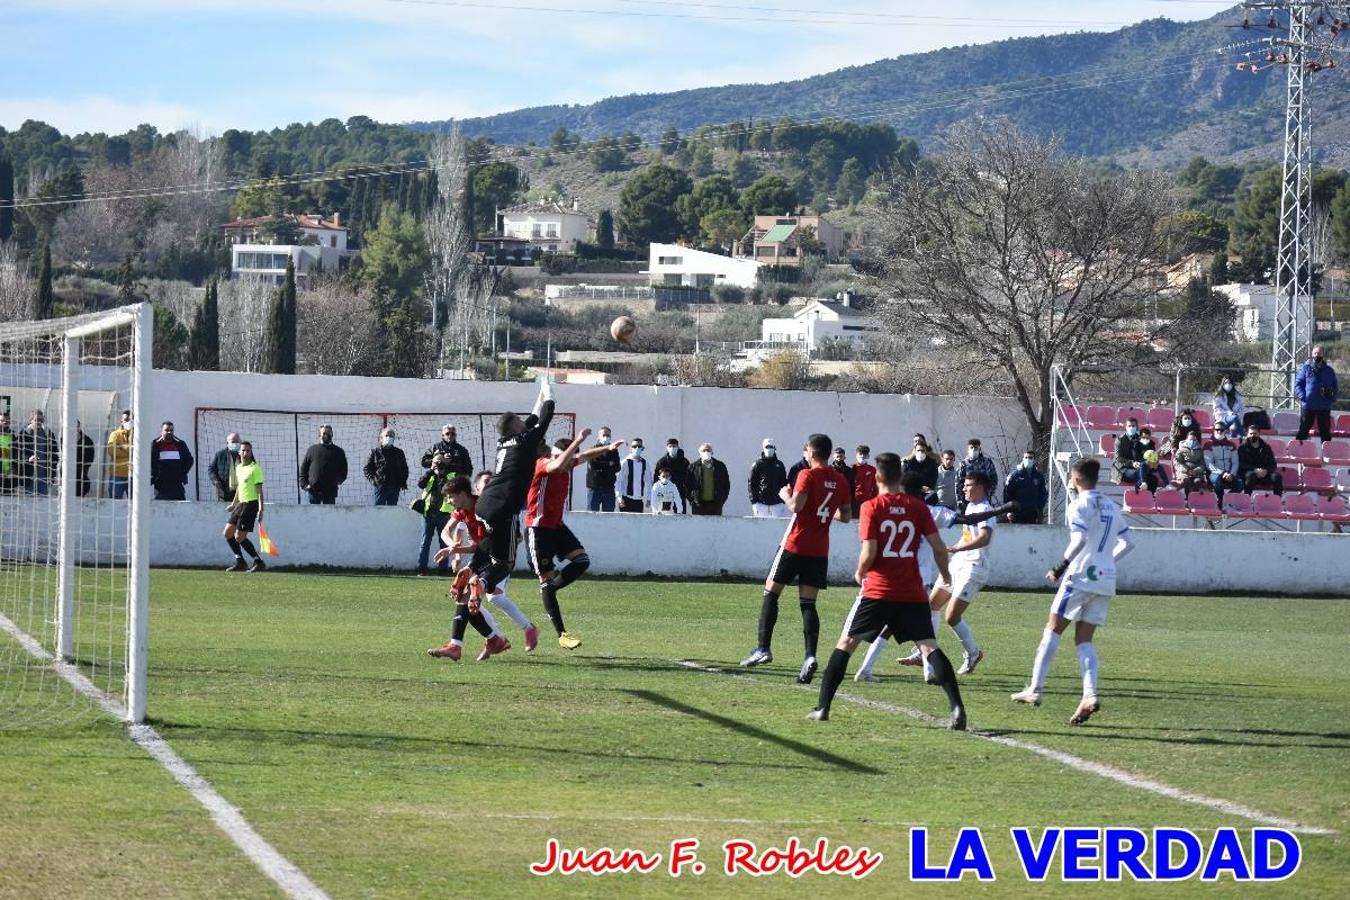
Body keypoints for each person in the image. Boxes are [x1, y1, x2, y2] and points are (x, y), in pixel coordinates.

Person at [807, 454, 967, 729]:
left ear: (878, 478)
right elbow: (940, 548)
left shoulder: (872, 507)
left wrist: (860, 572)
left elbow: (869, 551)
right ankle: (957, 709)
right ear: (899, 478)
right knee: (929, 647)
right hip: (912, 592)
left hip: (878, 590)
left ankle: (823, 708)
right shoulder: (918, 508)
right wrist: (946, 575)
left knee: (846, 644)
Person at [1012, 458, 1135, 725]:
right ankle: (1089, 695)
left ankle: (1035, 689)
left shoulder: (1078, 505)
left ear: (1076, 479)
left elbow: (1079, 540)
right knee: (1084, 640)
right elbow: (1129, 542)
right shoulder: (1111, 506)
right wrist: (1106, 563)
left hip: (1081, 575)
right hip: (1106, 578)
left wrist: (1059, 567)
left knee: (1053, 629)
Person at [740, 433, 852, 685]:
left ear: (811, 452)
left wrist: (784, 494)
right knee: (808, 604)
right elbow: (845, 516)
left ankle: (763, 648)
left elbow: (796, 506)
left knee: (771, 592)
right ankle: (810, 656)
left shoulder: (807, 474)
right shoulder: (841, 480)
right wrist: (822, 514)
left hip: (795, 543)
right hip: (819, 549)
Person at [526, 430, 626, 650]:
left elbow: (583, 457)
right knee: (546, 581)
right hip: (538, 528)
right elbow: (559, 463)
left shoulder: (566, 465)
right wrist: (579, 440)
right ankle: (562, 634)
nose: (569, 464)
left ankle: (549, 590)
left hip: (557, 527)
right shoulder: (544, 463)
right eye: (567, 459)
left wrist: (606, 449)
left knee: (582, 561)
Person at [462, 381, 557, 605]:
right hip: (503, 507)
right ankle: (481, 585)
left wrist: (540, 393)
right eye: (519, 421)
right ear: (515, 426)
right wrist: (549, 391)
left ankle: (470, 569)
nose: (524, 423)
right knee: (505, 563)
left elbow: (532, 419)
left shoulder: (503, 442)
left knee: (492, 547)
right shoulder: (525, 442)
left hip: (484, 504)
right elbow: (547, 414)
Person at [908, 471, 997, 676]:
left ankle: (973, 653)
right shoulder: (971, 507)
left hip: (974, 567)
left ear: (980, 486)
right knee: (931, 606)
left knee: (952, 616)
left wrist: (960, 549)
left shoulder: (985, 509)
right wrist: (956, 546)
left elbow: (984, 538)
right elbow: (968, 537)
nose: (964, 488)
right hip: (958, 564)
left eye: (968, 485)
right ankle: (924, 653)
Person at [426, 475, 521, 662]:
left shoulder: (482, 510)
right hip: (481, 554)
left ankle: (460, 645)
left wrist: (457, 551)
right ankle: (492, 640)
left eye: (451, 497)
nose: (449, 501)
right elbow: (446, 531)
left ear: (462, 494)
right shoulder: (462, 510)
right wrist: (452, 546)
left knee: (471, 593)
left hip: (494, 556)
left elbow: (484, 546)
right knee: (464, 597)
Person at [223, 441, 268, 573]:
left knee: (239, 537)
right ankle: (240, 561)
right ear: (239, 452)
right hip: (240, 505)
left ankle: (258, 561)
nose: (245, 453)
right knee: (227, 533)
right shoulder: (239, 468)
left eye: (248, 451)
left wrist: (261, 509)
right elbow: (239, 488)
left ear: (251, 452)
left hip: (251, 504)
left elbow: (259, 491)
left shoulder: (255, 469)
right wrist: (233, 503)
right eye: (243, 450)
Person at [416, 453, 457, 576]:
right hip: (428, 513)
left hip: (444, 514)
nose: (438, 465)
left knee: (443, 542)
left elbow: (451, 488)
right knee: (425, 542)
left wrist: (443, 474)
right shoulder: (429, 475)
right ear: (432, 463)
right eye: (436, 462)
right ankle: (422, 568)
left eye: (441, 462)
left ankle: (443, 569)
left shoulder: (450, 475)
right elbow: (420, 484)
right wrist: (430, 471)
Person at [1295, 346, 1338, 443]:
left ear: (1323, 354)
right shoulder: (1306, 369)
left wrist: (1332, 398)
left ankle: (1327, 455)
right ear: (1312, 354)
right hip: (1308, 405)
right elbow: (1298, 384)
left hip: (1324, 406)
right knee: (1303, 431)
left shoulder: (1329, 371)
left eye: (1319, 353)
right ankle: (1298, 452)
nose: (1317, 355)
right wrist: (1303, 397)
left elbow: (1335, 387)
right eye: (1315, 353)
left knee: (1325, 433)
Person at [299, 424, 347, 504]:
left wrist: (338, 480)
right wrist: (305, 485)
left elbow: (344, 470)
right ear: (319, 435)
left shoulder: (339, 452)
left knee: (330, 515)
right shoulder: (312, 450)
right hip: (313, 492)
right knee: (313, 515)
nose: (326, 435)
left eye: (328, 433)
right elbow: (303, 469)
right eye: (323, 433)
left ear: (332, 434)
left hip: (330, 492)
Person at [364, 427, 409, 507]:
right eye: (387, 435)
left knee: (392, 511)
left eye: (392, 436)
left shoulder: (399, 452)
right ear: (381, 438)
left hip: (395, 487)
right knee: (379, 510)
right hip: (381, 487)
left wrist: (402, 481)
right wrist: (374, 481)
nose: (389, 437)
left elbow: (405, 469)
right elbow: (367, 469)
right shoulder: (375, 452)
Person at [15, 410, 58, 495]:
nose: (39, 422)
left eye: (41, 420)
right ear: (31, 420)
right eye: (36, 419)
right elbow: (17, 453)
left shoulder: (48, 434)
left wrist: (53, 473)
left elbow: (54, 454)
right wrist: (28, 458)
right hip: (29, 477)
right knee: (28, 504)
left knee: (44, 503)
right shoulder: (24, 434)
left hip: (44, 477)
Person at [149, 420, 193, 501]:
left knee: (180, 507)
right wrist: (154, 476)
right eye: (166, 430)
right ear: (161, 431)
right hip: (161, 484)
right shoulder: (155, 444)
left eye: (171, 430)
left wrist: (182, 473)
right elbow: (151, 461)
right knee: (160, 507)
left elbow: (189, 460)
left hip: (177, 483)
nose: (169, 432)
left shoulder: (180, 444)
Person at [1237, 424, 1283, 495]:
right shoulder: (1242, 448)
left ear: (1259, 434)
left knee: (1277, 477)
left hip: (1264, 474)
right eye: (1250, 433)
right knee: (1250, 475)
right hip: (1249, 474)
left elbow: (1273, 464)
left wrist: (1266, 471)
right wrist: (1255, 470)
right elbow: (1241, 464)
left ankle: (1277, 501)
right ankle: (1247, 499)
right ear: (1247, 434)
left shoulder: (1266, 447)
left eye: (1255, 433)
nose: (1252, 435)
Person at [749, 438, 789, 517]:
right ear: (763, 448)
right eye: (767, 447)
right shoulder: (757, 464)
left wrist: (782, 501)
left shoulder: (780, 465)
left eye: (771, 447)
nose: (769, 449)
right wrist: (754, 502)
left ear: (774, 448)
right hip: (760, 504)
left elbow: (783, 483)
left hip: (777, 505)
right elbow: (751, 484)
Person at [1003, 451, 1048, 523]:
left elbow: (1043, 494)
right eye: (1026, 457)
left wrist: (1039, 509)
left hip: (1033, 513)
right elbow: (1007, 493)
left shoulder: (1039, 476)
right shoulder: (1014, 475)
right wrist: (1008, 511)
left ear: (1034, 460)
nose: (1028, 459)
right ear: (1023, 459)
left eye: (1030, 458)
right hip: (1017, 513)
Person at [686, 443, 730, 516]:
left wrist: (721, 501)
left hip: (716, 505)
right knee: (699, 526)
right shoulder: (692, 467)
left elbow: (726, 485)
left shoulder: (720, 466)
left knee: (715, 526)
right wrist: (692, 501)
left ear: (712, 453)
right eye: (704, 450)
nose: (706, 452)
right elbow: (687, 485)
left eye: (708, 450)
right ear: (699, 453)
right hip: (698, 505)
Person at [585, 425, 622, 512]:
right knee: (591, 515)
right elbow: (593, 466)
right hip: (594, 488)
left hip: (608, 488)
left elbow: (617, 467)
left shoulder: (614, 451)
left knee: (609, 517)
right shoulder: (593, 450)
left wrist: (602, 466)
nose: (606, 437)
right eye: (604, 435)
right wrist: (609, 464)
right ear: (599, 437)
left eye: (608, 435)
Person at [955, 438, 998, 511]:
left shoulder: (987, 463)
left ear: (979, 449)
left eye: (976, 448)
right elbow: (958, 484)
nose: (973, 450)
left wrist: (989, 492)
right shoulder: (963, 464)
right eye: (971, 448)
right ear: (968, 450)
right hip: (968, 501)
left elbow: (994, 479)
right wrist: (960, 501)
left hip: (984, 499)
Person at [1203, 423, 1240, 506]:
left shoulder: (1231, 444)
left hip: (1229, 473)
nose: (1219, 431)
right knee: (1217, 480)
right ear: (1213, 430)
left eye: (1221, 430)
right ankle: (1220, 500)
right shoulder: (1208, 444)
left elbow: (1235, 462)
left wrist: (1231, 474)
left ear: (1225, 431)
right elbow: (1209, 464)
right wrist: (1222, 473)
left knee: (1240, 483)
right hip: (1214, 473)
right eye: (1217, 429)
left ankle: (1227, 499)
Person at [654, 438, 690, 514]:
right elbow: (656, 479)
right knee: (666, 515)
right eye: (670, 446)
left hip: (680, 493)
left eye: (674, 446)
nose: (672, 448)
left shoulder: (684, 462)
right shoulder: (662, 462)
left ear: (677, 447)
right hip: (665, 494)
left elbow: (689, 478)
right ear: (667, 448)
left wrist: (687, 492)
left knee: (680, 516)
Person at [1171, 431, 1210, 497]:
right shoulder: (1181, 450)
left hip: (1197, 473)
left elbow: (1202, 464)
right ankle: (1187, 497)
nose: (1192, 441)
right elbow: (1177, 462)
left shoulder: (1200, 450)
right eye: (1190, 440)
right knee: (1186, 481)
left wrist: (1196, 470)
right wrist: (1186, 470)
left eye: (1194, 440)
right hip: (1184, 472)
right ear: (1186, 440)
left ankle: (1193, 497)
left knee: (1197, 481)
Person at [616, 437, 648, 512]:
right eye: (634, 446)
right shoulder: (625, 462)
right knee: (624, 523)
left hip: (639, 500)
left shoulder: (645, 463)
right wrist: (619, 498)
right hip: (626, 499)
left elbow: (649, 481)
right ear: (630, 448)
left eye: (639, 446)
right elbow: (618, 481)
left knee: (638, 523)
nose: (637, 448)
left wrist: (649, 498)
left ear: (642, 448)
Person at [106, 410, 132, 499]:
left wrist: (121, 447)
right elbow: (112, 451)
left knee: (135, 503)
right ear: (121, 421)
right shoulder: (115, 434)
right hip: (118, 474)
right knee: (115, 501)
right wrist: (129, 451)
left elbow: (140, 451)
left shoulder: (138, 435)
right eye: (126, 420)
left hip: (134, 475)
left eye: (131, 420)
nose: (129, 422)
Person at [1112, 418, 1146, 487]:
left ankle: (1147, 494)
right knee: (1139, 473)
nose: (1131, 428)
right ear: (1126, 427)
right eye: (1129, 426)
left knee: (1153, 478)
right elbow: (1118, 458)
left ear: (1137, 427)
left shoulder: (1140, 439)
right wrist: (1132, 463)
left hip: (1137, 466)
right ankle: (1139, 492)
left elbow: (1142, 455)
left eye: (1133, 426)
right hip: (1122, 469)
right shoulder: (1120, 440)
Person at [209, 432, 242, 502]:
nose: (235, 444)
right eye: (233, 442)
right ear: (227, 443)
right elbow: (211, 470)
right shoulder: (220, 455)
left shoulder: (245, 454)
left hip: (241, 493)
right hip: (225, 493)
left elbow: (252, 467)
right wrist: (216, 482)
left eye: (237, 442)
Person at [851, 445, 878, 517]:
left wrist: (873, 500)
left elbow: (875, 487)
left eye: (865, 454)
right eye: (860, 454)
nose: (862, 456)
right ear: (856, 455)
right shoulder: (851, 468)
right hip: (854, 502)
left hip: (867, 501)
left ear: (868, 456)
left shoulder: (872, 469)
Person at [70, 421, 94, 497]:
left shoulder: (87, 441)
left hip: (81, 476)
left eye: (75, 426)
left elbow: (90, 458)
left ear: (78, 427)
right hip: (67, 476)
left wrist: (83, 468)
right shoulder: (63, 439)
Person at [0, 412, 14, 494]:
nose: (5, 423)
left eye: (7, 421)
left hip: (8, 477)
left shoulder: (13, 436)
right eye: (2, 420)